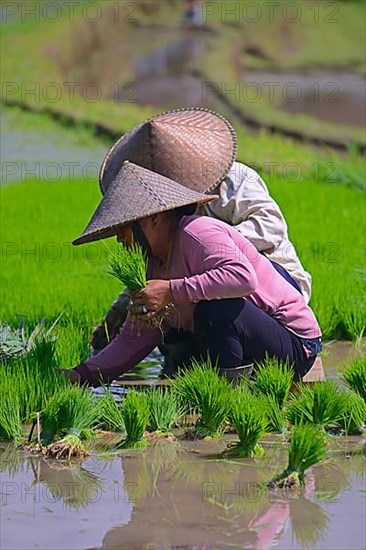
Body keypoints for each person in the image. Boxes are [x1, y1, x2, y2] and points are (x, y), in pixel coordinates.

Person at [69, 161, 321, 387]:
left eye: (124, 229)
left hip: (295, 344)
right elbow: (134, 339)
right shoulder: (152, 267)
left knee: (213, 312)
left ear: (153, 219)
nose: (120, 240)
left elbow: (243, 277)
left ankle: (228, 397)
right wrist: (82, 374)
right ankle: (216, 388)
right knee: (180, 335)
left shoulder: (198, 232)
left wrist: (170, 291)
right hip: (251, 343)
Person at [91, 108, 312, 363]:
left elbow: (271, 226)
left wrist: (207, 248)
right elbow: (162, 267)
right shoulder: (156, 216)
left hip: (271, 286)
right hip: (205, 289)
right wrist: (122, 307)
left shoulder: (235, 180)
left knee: (213, 309)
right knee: (170, 324)